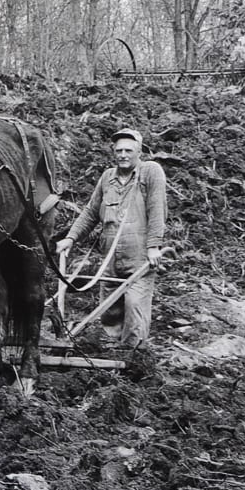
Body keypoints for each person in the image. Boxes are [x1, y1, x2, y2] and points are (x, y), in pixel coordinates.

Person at [55, 127, 167, 345]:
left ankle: (133, 354)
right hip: (111, 255)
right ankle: (110, 348)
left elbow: (157, 210)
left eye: (128, 150)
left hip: (140, 255)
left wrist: (154, 245)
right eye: (119, 151)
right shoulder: (108, 177)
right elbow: (90, 212)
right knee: (109, 307)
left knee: (134, 304)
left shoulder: (150, 172)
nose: (123, 155)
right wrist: (71, 238)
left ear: (139, 152)